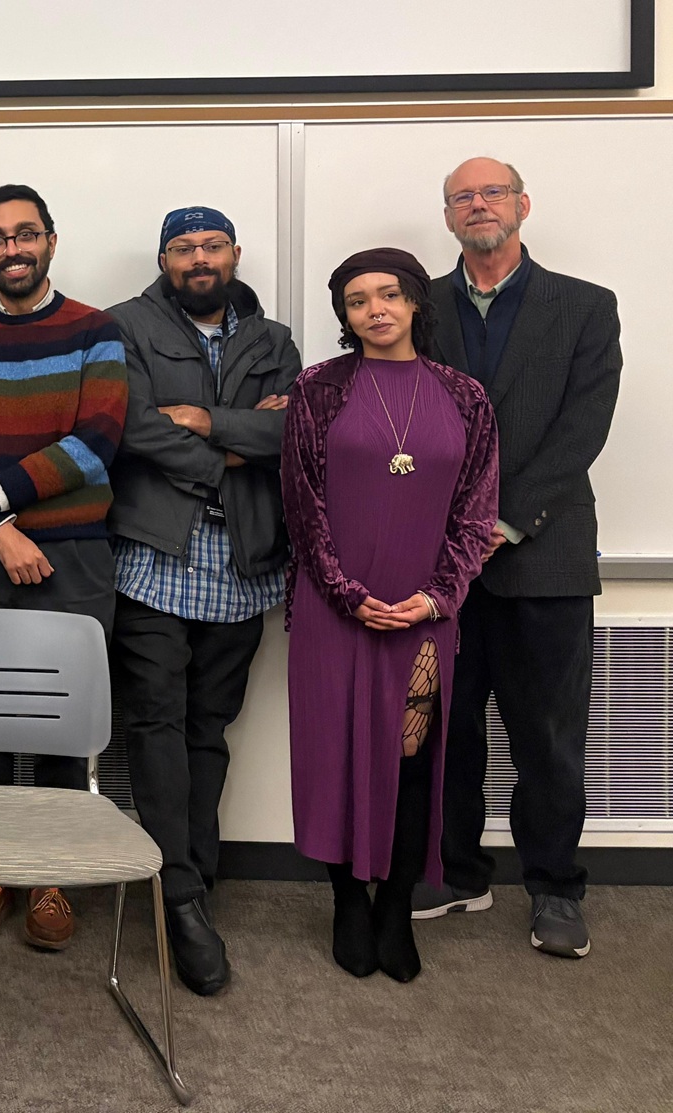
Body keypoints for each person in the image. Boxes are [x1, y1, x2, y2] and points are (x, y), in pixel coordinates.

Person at [419, 158, 622, 960]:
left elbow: (584, 428)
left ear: (522, 205)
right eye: (462, 196)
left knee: (548, 736)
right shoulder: (419, 305)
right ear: (447, 217)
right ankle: (460, 871)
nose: (478, 205)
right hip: (441, 565)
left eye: (492, 192)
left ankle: (555, 887)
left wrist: (503, 520)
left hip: (547, 555)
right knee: (448, 728)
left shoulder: (585, 306)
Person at [0, 184, 127, 950]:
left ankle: (51, 874)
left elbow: (96, 439)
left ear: (50, 240)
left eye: (25, 234)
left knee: (61, 721)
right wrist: (2, 526)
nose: (12, 248)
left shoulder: (95, 331)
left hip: (73, 553)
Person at [284, 248, 498, 982]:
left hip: (422, 616)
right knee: (337, 754)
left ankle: (396, 904)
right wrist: (347, 591)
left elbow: (476, 515)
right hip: (332, 608)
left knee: (410, 765)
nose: (374, 309)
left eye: (389, 295)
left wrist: (437, 596)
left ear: (414, 304)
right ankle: (347, 899)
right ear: (343, 315)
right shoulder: (318, 390)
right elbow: (303, 507)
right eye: (356, 300)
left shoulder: (465, 396)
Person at [104, 207, 300, 994]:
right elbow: (133, 429)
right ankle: (180, 896)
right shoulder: (123, 325)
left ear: (234, 254)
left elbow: (294, 436)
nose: (198, 259)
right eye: (183, 248)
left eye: (211, 245)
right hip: (156, 552)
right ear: (163, 258)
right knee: (153, 718)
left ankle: (192, 877)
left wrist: (213, 421)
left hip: (246, 558)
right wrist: (233, 448)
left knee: (208, 725)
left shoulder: (275, 341)